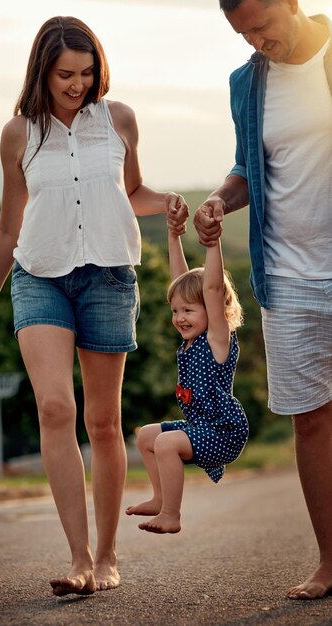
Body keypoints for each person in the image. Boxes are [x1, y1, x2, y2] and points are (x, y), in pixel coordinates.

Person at [0, 16, 188, 596]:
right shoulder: (18, 134)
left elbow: (134, 193)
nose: (78, 84)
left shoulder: (119, 121)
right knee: (57, 409)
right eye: (66, 74)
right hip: (40, 277)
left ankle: (108, 557)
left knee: (104, 421)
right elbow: (9, 226)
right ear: (43, 70)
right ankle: (79, 558)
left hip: (108, 276)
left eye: (88, 73)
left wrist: (172, 203)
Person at [193, 0, 332, 601]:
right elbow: (249, 166)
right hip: (290, 276)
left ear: (293, 5)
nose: (255, 41)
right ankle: (330, 562)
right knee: (311, 420)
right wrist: (221, 199)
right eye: (243, 32)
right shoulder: (246, 83)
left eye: (262, 26)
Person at [125, 219, 248, 534]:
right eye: (175, 311)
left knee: (166, 444)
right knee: (147, 436)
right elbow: (179, 279)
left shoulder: (217, 339)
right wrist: (173, 234)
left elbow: (212, 286)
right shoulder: (190, 342)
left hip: (222, 432)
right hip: (200, 427)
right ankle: (159, 498)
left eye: (188, 311)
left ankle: (171, 514)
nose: (179, 318)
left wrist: (212, 241)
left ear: (214, 308)